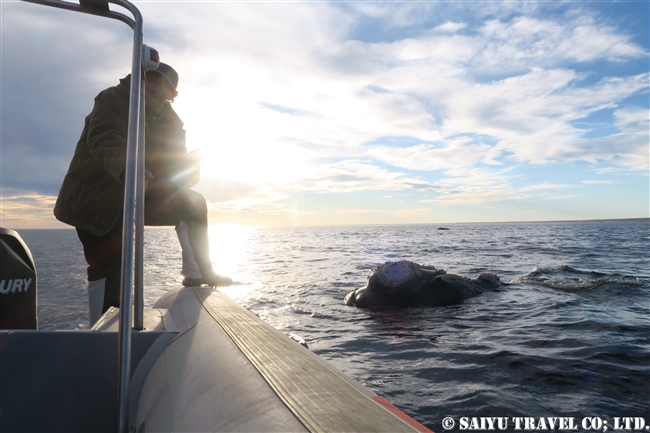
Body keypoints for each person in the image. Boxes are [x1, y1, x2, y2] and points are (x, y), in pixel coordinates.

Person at [54, 63, 231, 326]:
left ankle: (197, 274)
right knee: (110, 263)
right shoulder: (113, 99)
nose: (150, 87)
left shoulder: (172, 122)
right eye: (146, 80)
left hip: (141, 190)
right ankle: (104, 332)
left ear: (172, 94)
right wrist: (129, 168)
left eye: (159, 86)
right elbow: (105, 137)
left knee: (193, 202)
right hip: (97, 198)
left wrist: (191, 165)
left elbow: (177, 173)